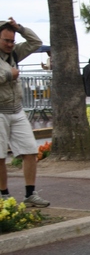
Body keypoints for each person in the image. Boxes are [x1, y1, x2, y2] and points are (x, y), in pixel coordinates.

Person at [0, 17, 50, 207]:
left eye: (12, 41)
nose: (10, 44)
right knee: (0, 156)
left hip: (17, 109)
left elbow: (35, 43)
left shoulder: (14, 53)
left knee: (30, 151)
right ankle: (3, 195)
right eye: (6, 40)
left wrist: (20, 28)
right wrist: (7, 74)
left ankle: (30, 194)